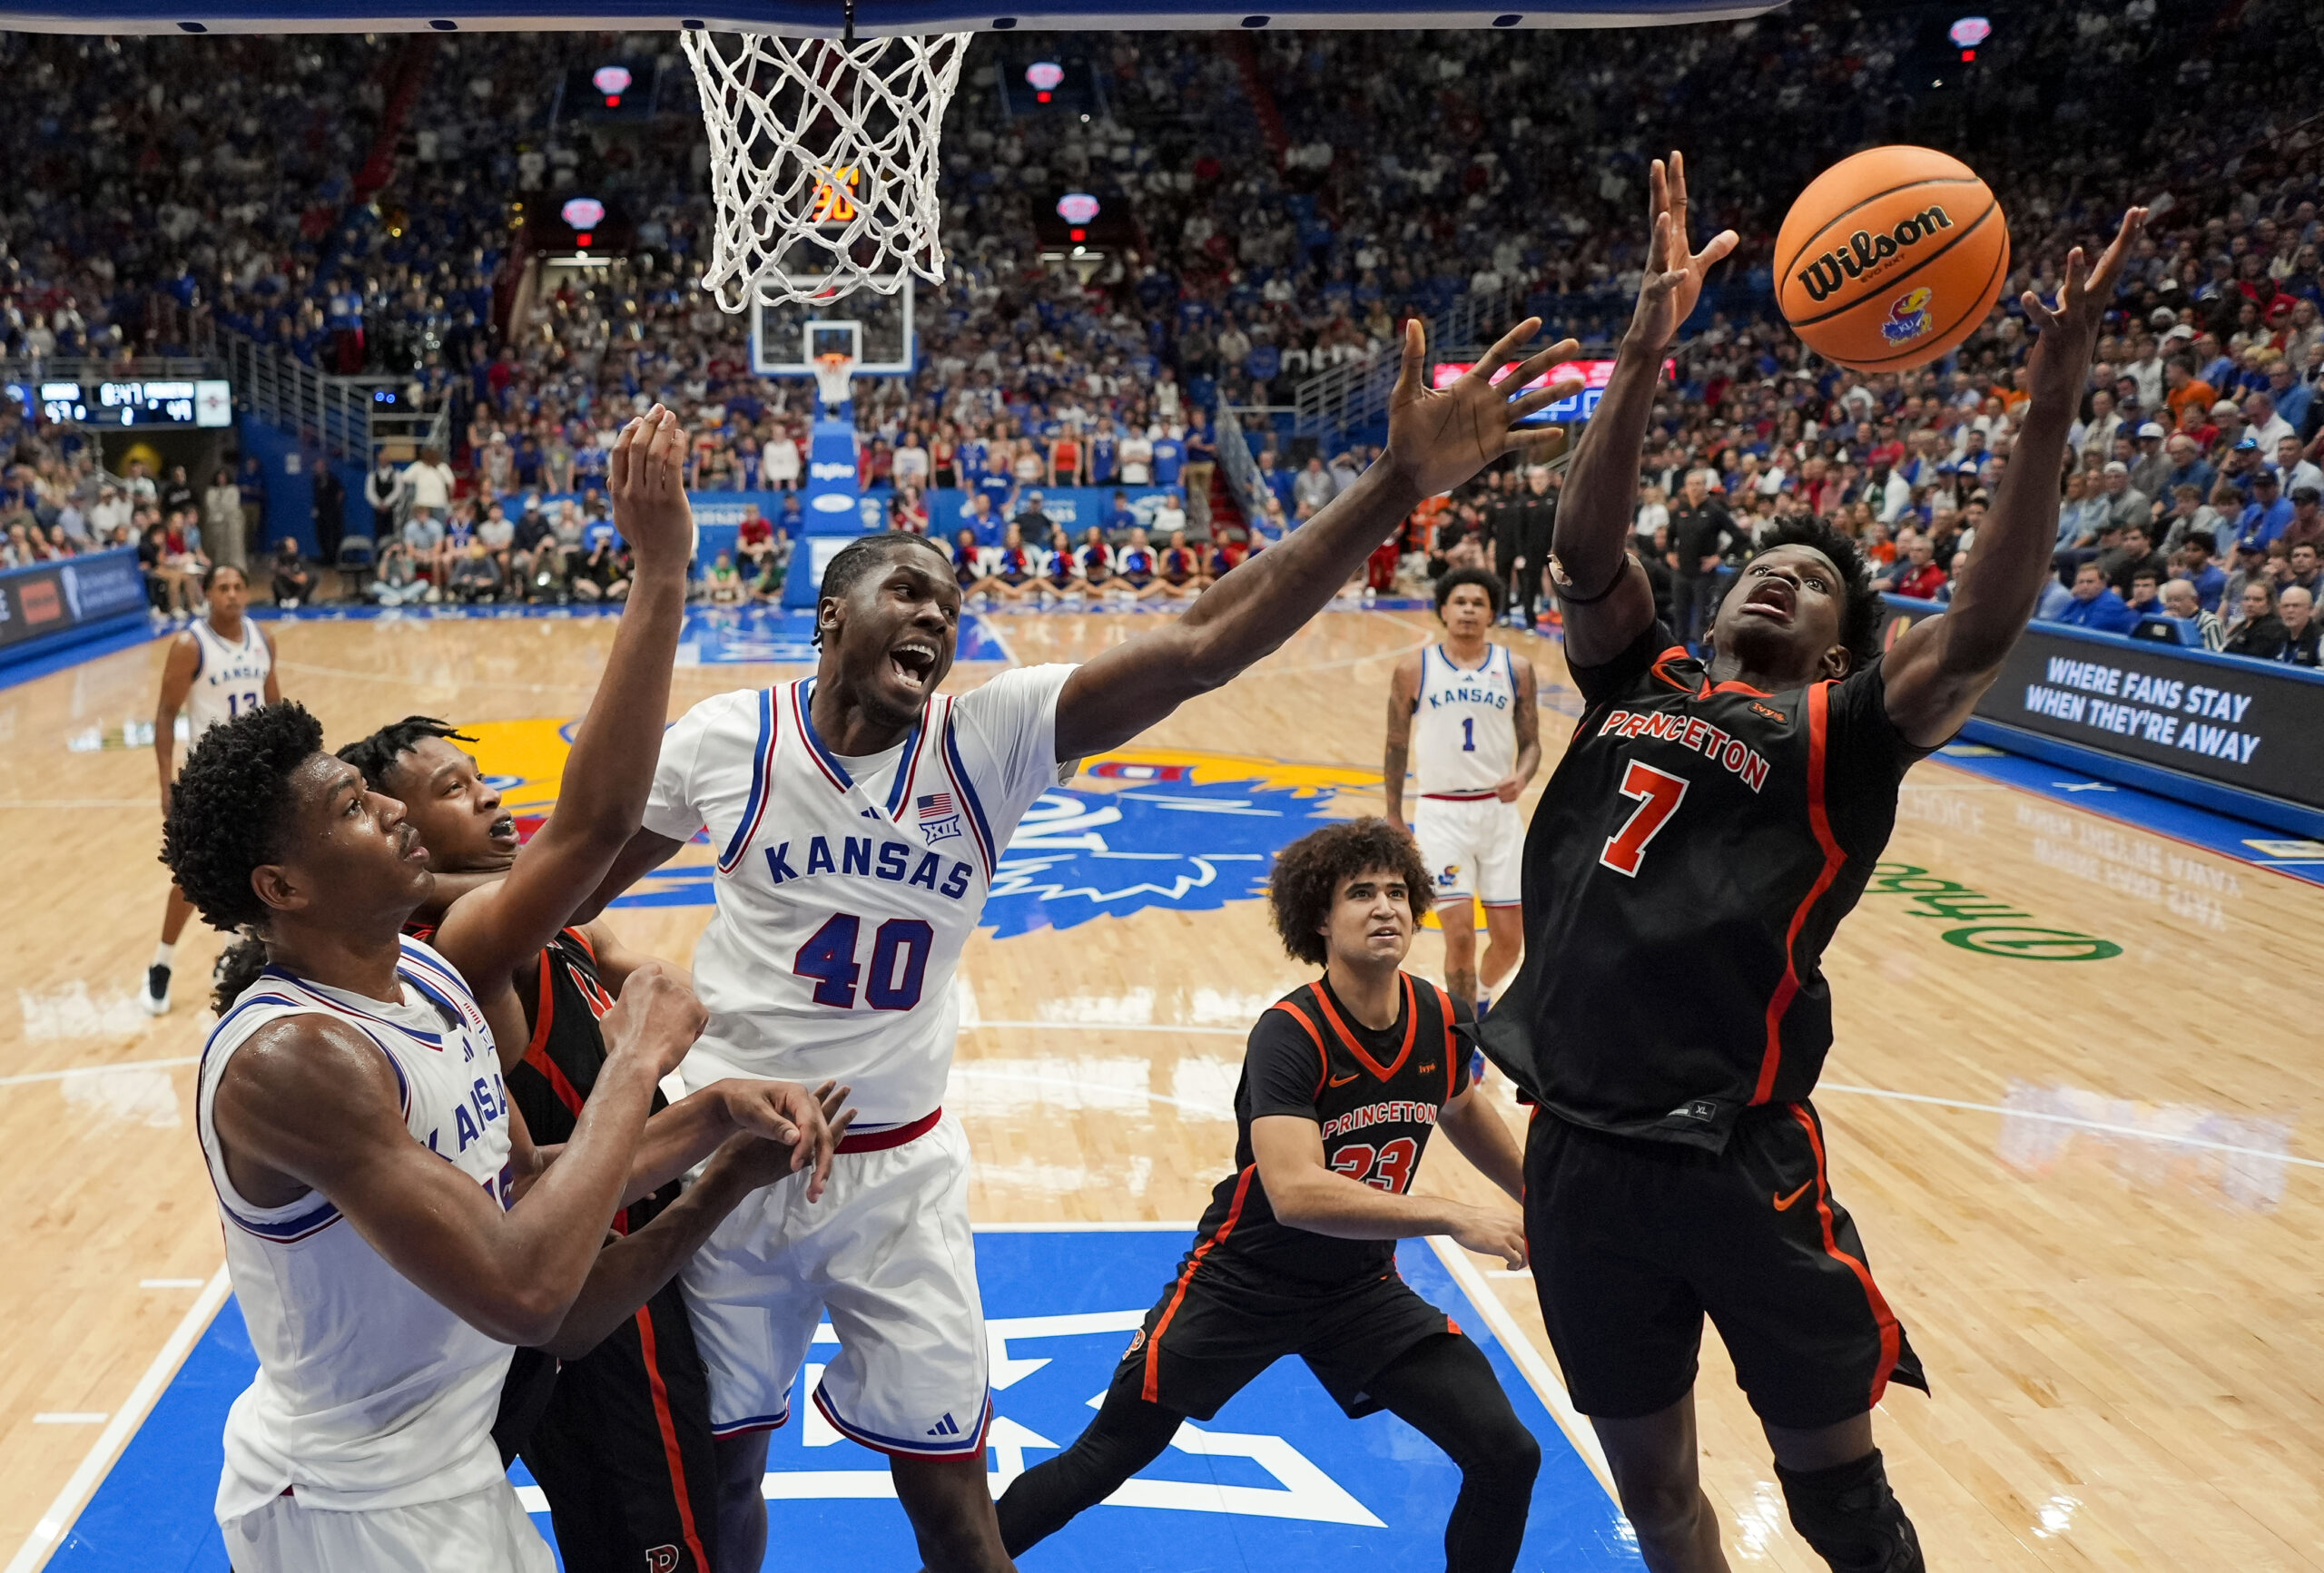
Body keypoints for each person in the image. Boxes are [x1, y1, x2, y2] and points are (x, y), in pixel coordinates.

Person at [576, 320, 1588, 1573]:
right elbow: (570, 880)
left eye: (951, 606)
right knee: (724, 1475)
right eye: (910, 594)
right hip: (729, 1162)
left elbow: (1209, 639)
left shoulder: (988, 735)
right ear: (833, 613)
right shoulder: (727, 740)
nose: (937, 619)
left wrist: (1391, 487)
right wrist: (619, 990)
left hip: (897, 1176)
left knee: (952, 1501)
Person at [1496, 158, 2146, 1573]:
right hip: (1579, 1153)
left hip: (1737, 1157)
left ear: (1844, 649)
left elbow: (1973, 633)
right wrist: (1646, 347)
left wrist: (2047, 406)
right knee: (1658, 1501)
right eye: (1765, 561)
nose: (1778, 572)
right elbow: (1587, 546)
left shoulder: (1843, 736)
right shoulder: (1636, 675)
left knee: (1834, 1497)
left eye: (1814, 578)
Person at [166, 407, 840, 1573]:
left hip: (446, 1470)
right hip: (347, 1503)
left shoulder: (424, 977)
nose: (383, 806)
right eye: (351, 807)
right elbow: (531, 1292)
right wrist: (635, 1057)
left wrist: (722, 1142)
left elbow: (550, 1237)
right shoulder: (295, 1057)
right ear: (283, 883)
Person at [334, 716, 849, 1573]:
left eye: (479, 775)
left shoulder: (559, 928)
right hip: (597, 1300)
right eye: (452, 790)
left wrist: (710, 1094)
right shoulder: (467, 948)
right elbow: (587, 835)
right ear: (400, 833)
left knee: (719, 1497)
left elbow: (604, 930)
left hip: (624, 1261)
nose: (491, 795)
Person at [991, 819, 1539, 1571]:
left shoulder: (1441, 1018)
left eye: (1396, 891)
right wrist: (1453, 1213)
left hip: (1358, 1289)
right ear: (1319, 917)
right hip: (1241, 1281)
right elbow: (1296, 1192)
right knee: (1103, 1460)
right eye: (1360, 893)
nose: (1385, 907)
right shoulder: (1291, 1033)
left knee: (1506, 1451)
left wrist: (1535, 1194)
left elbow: (1461, 1105)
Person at [1384, 567, 1539, 1018]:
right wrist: (1394, 813)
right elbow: (1395, 744)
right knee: (1460, 935)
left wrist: (1523, 776)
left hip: (1497, 813)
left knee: (1511, 942)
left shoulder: (1517, 669)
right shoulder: (1414, 668)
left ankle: (1484, 997)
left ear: (1491, 613)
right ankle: (1466, 1036)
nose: (1469, 609)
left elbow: (1531, 743)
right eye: (1460, 602)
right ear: (1444, 611)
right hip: (1440, 814)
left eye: (1478, 603)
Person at [142, 562, 281, 1015]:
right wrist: (166, 782)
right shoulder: (190, 645)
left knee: (254, 870)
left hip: (255, 775)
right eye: (223, 587)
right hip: (208, 778)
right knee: (189, 878)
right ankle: (162, 962)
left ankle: (234, 954)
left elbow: (276, 709)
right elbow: (165, 715)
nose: (233, 594)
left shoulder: (264, 639)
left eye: (239, 586)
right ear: (207, 594)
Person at [1666, 467, 1736, 649]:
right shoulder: (1681, 510)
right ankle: (1678, 657)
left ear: (1705, 487)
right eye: (1691, 484)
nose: (1695, 488)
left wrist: (1719, 557)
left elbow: (1739, 537)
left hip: (1703, 574)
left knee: (1702, 620)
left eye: (1698, 484)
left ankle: (1704, 658)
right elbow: (1670, 534)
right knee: (1679, 617)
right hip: (1681, 573)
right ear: (1685, 488)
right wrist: (1669, 552)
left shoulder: (1715, 511)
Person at [2053, 560, 2141, 634]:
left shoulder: (2110, 604)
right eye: (2081, 582)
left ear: (2103, 583)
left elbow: (2085, 639)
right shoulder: (2076, 601)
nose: (2085, 586)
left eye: (2090, 582)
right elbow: (2055, 627)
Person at [2271, 584, 2321, 665]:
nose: (2290, 610)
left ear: (2310, 610)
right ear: (2279, 610)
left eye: (2296, 606)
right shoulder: (2275, 636)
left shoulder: (2320, 639)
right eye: (2286, 606)